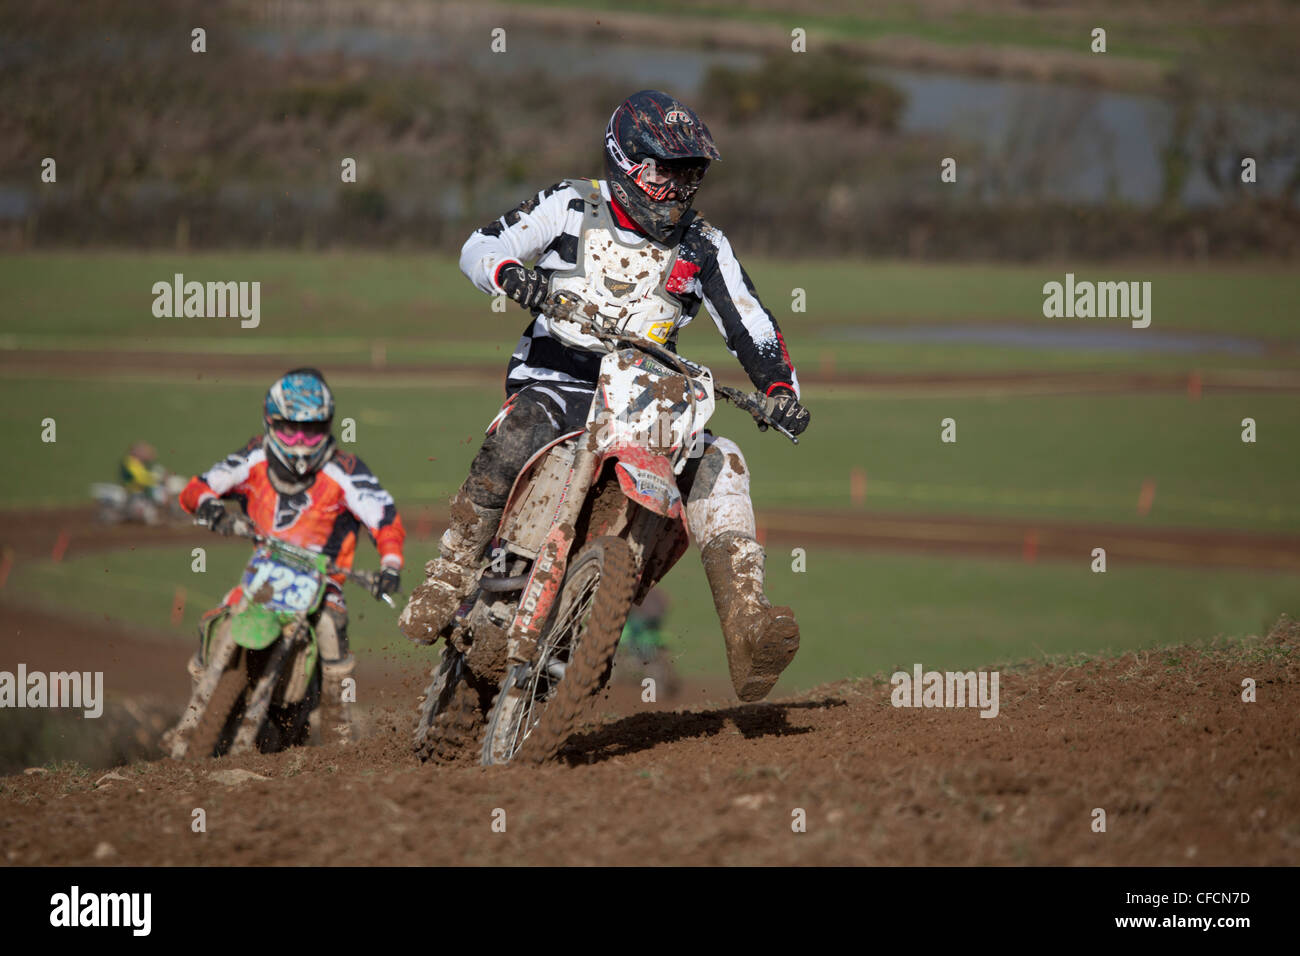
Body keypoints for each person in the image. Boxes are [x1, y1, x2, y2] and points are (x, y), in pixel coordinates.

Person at [399, 90, 810, 702]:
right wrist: (511, 274)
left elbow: (748, 321)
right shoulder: (570, 204)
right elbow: (479, 246)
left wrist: (779, 388)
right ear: (625, 162)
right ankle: (449, 569)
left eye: (687, 175)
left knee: (721, 461)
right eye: (662, 173)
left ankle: (747, 622)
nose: (675, 190)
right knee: (521, 431)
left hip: (647, 395)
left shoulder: (704, 245)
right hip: (557, 377)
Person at [178, 368, 405, 743]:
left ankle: (340, 731)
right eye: (290, 429)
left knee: (332, 628)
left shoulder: (345, 471)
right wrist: (211, 509)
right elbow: (197, 488)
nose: (301, 440)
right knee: (215, 622)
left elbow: (385, 518)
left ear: (328, 426)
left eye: (312, 429)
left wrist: (390, 565)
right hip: (264, 577)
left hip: (322, 582)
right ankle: (191, 723)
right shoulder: (254, 457)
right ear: (271, 422)